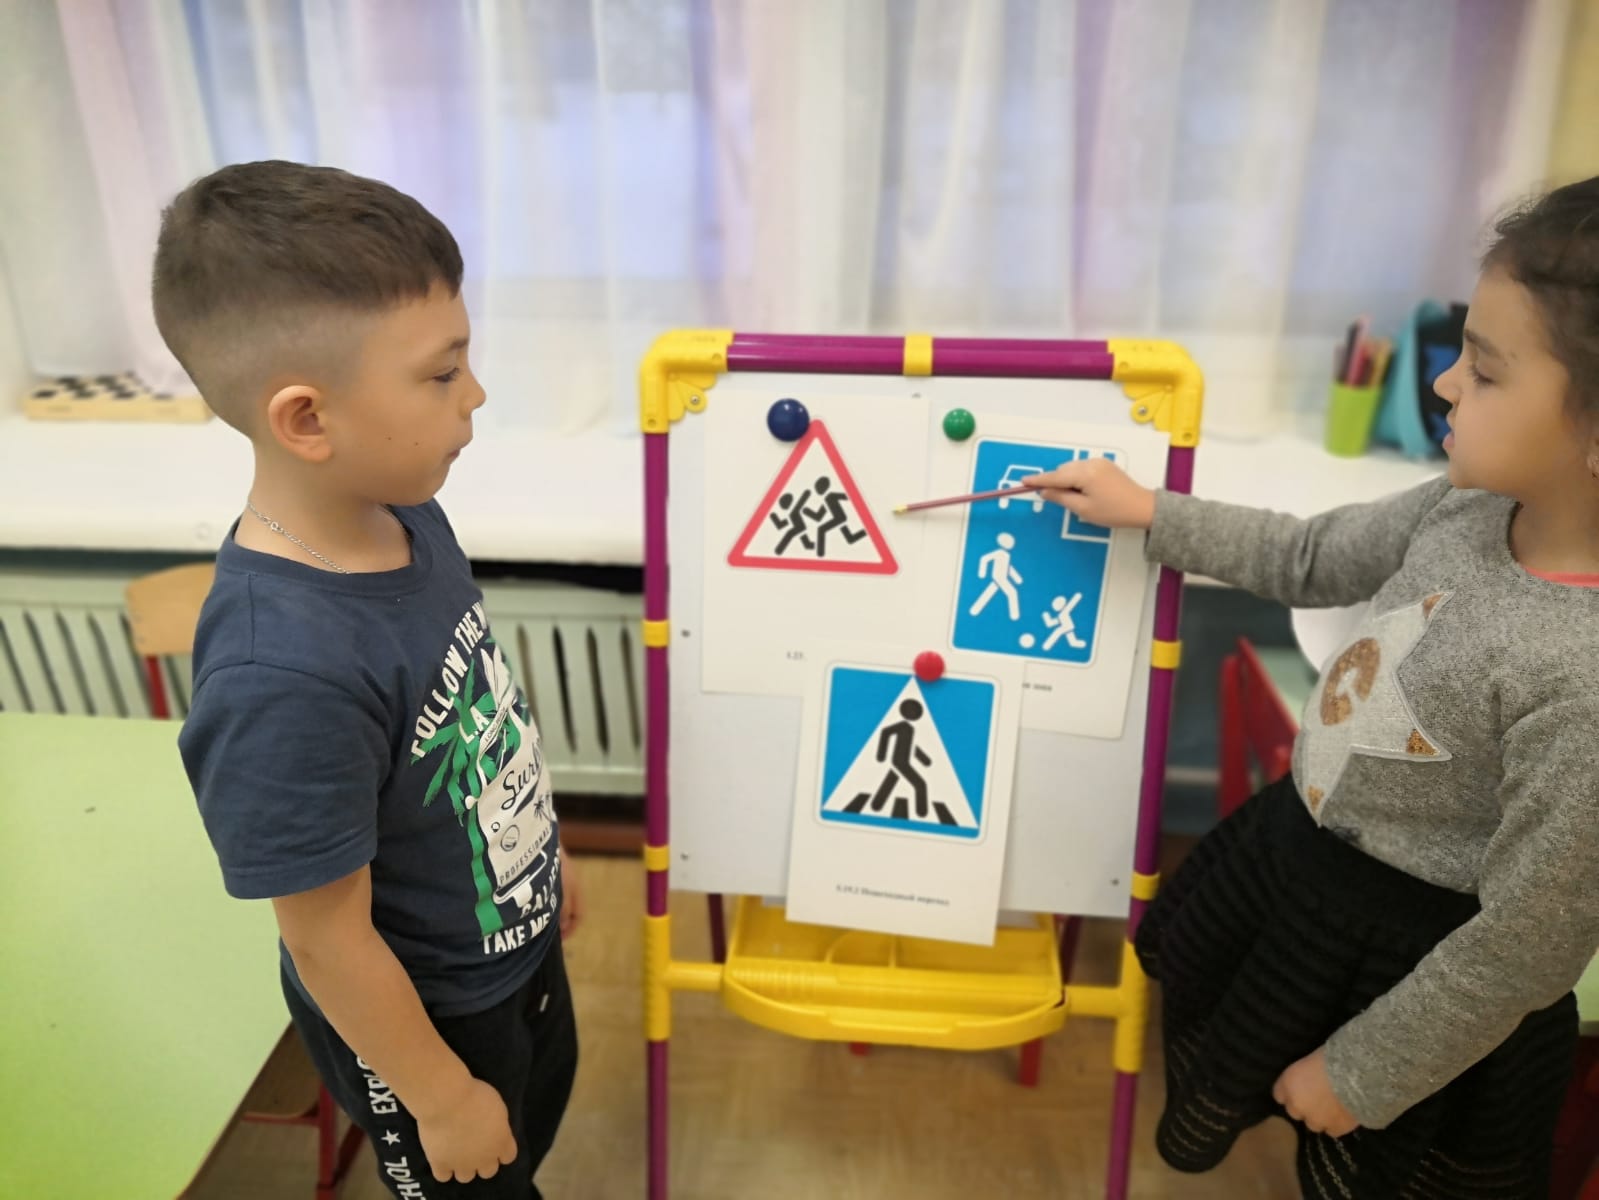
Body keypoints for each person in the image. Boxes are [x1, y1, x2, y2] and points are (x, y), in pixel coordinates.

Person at [1025, 176, 1599, 1199]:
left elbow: (1528, 942)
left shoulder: (1581, 678)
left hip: (1414, 968)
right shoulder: (1465, 506)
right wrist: (1150, 511)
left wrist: (1362, 1071)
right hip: (1304, 880)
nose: (1444, 385)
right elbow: (1308, 555)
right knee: (1237, 1070)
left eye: (1485, 370)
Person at [156, 160, 580, 1199]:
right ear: (307, 419)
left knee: (529, 1140)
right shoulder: (280, 675)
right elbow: (326, 940)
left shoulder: (407, 511)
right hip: (426, 1021)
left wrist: (539, 864)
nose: (475, 395)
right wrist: (437, 1094)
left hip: (513, 952)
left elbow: (475, 725)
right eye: (442, 375)